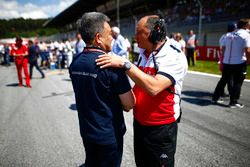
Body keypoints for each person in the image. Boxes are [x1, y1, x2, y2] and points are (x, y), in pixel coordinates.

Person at [96, 15, 188, 167]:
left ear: (154, 33)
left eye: (139, 32)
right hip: (140, 123)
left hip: (161, 128)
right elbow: (140, 83)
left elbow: (154, 87)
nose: (135, 36)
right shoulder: (144, 52)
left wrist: (125, 64)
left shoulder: (174, 55)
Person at [69, 12, 136, 167]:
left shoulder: (76, 62)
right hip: (109, 135)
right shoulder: (111, 66)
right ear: (99, 38)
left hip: (87, 131)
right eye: (109, 34)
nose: (112, 38)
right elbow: (129, 103)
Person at [212, 18, 250, 108]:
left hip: (227, 62)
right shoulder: (246, 35)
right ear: (245, 25)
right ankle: (233, 102)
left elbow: (223, 48)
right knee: (238, 82)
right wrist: (249, 60)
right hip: (239, 62)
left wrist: (225, 59)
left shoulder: (228, 35)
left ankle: (214, 98)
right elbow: (247, 50)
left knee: (223, 80)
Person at [212, 22, 237, 103]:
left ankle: (228, 93)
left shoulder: (224, 36)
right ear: (234, 28)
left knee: (227, 78)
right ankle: (225, 93)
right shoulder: (227, 37)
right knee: (227, 78)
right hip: (226, 58)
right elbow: (223, 49)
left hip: (225, 58)